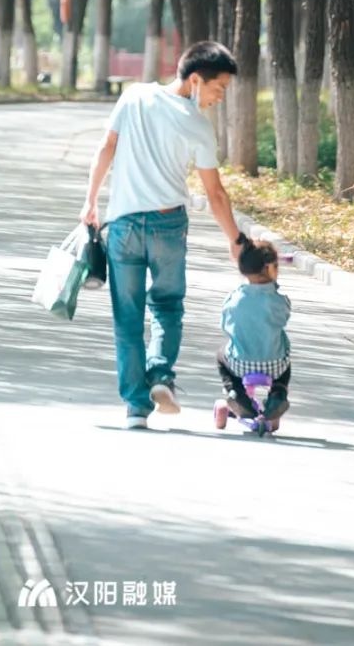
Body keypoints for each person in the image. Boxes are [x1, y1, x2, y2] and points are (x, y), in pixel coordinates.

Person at [79, 39, 249, 430]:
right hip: (168, 227)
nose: (220, 97)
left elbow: (106, 147)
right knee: (167, 307)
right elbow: (215, 194)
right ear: (195, 79)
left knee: (127, 317)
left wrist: (90, 201)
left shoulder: (134, 96)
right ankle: (160, 375)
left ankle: (136, 408)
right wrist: (235, 240)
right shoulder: (198, 126)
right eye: (219, 87)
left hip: (123, 225)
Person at [217, 236, 292, 429]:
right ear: (270, 268)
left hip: (240, 365)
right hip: (275, 365)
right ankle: (278, 393)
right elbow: (284, 319)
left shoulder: (233, 299)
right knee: (286, 362)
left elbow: (225, 325)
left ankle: (236, 393)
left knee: (221, 355)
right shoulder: (279, 301)